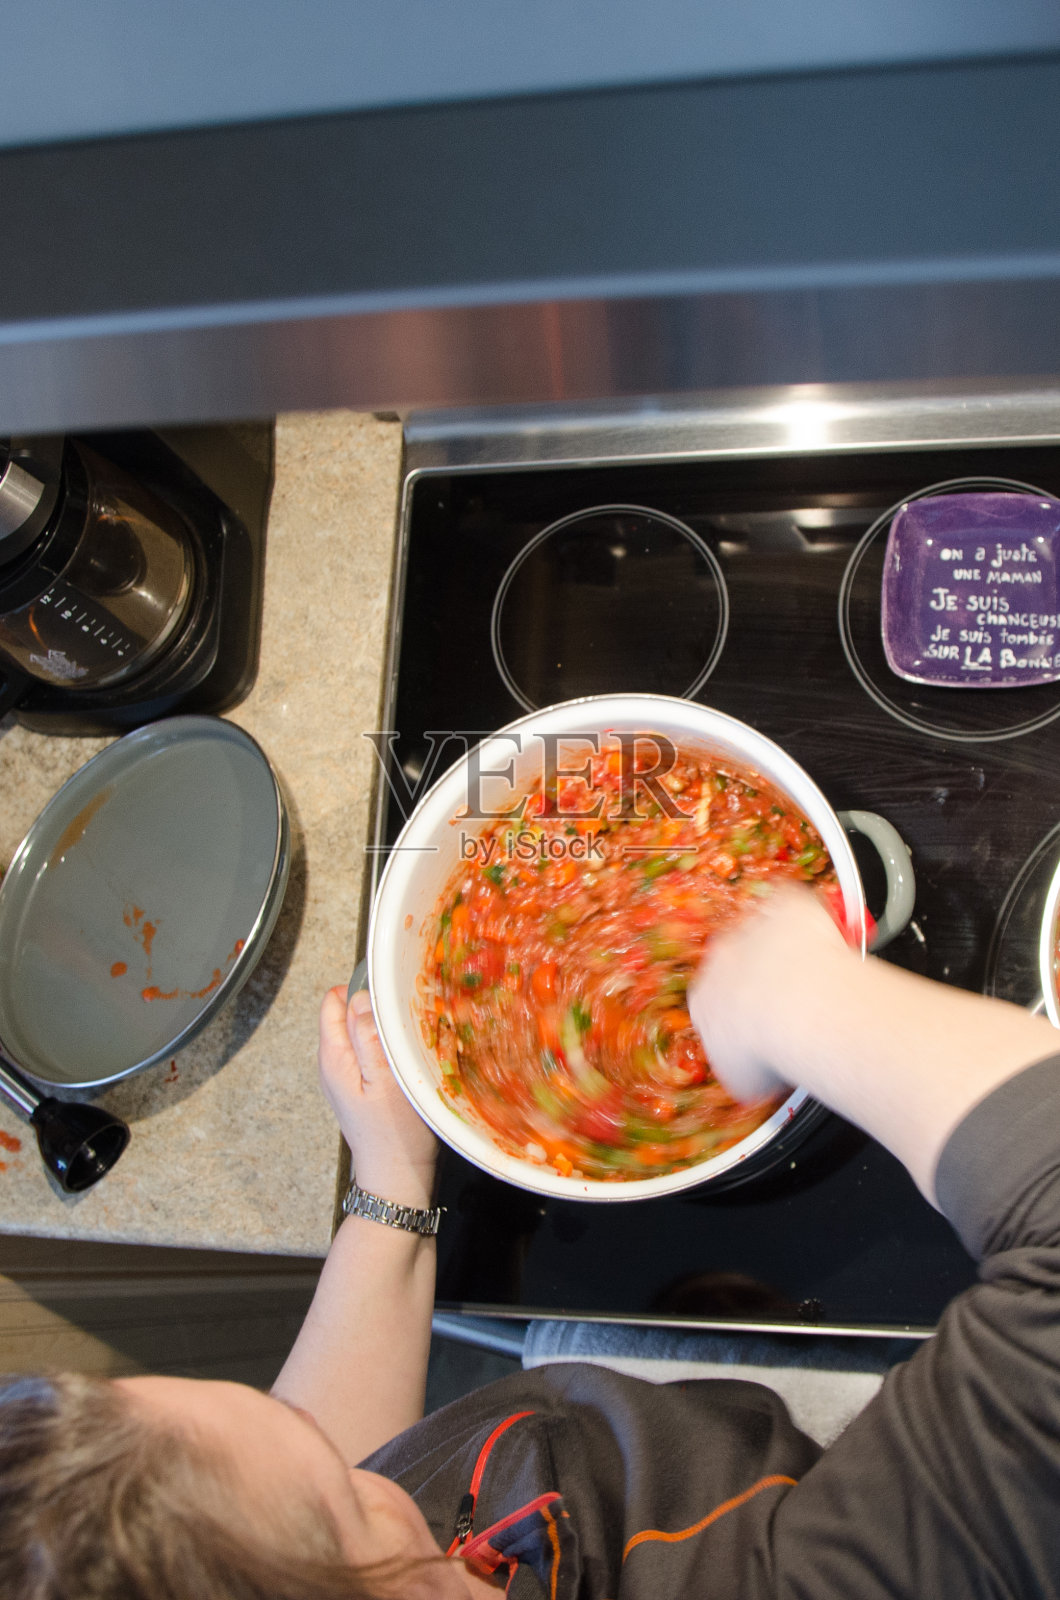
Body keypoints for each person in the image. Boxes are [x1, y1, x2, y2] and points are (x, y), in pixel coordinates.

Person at [2, 887, 1059, 1598]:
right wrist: (787, 993)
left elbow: (294, 1469)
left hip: (599, 1426)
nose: (369, 1468)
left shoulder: (327, 1549)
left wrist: (391, 1181)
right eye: (344, 1500)